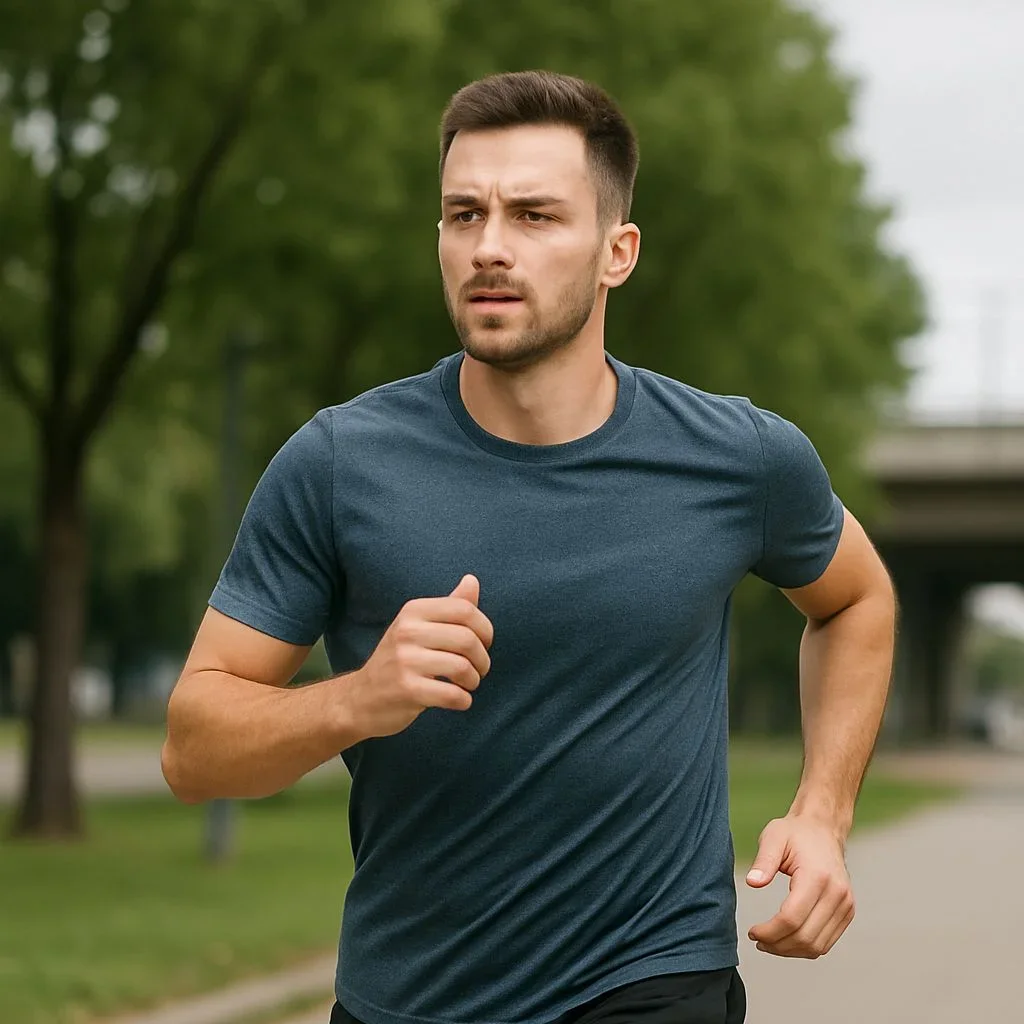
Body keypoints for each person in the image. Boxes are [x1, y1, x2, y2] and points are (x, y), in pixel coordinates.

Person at [161, 70, 896, 1024]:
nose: (490, 247)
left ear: (615, 253)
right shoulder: (339, 464)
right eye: (463, 214)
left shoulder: (739, 457)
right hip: (408, 999)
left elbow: (855, 599)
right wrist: (356, 699)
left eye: (535, 216)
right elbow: (192, 751)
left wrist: (823, 813)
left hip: (653, 977)